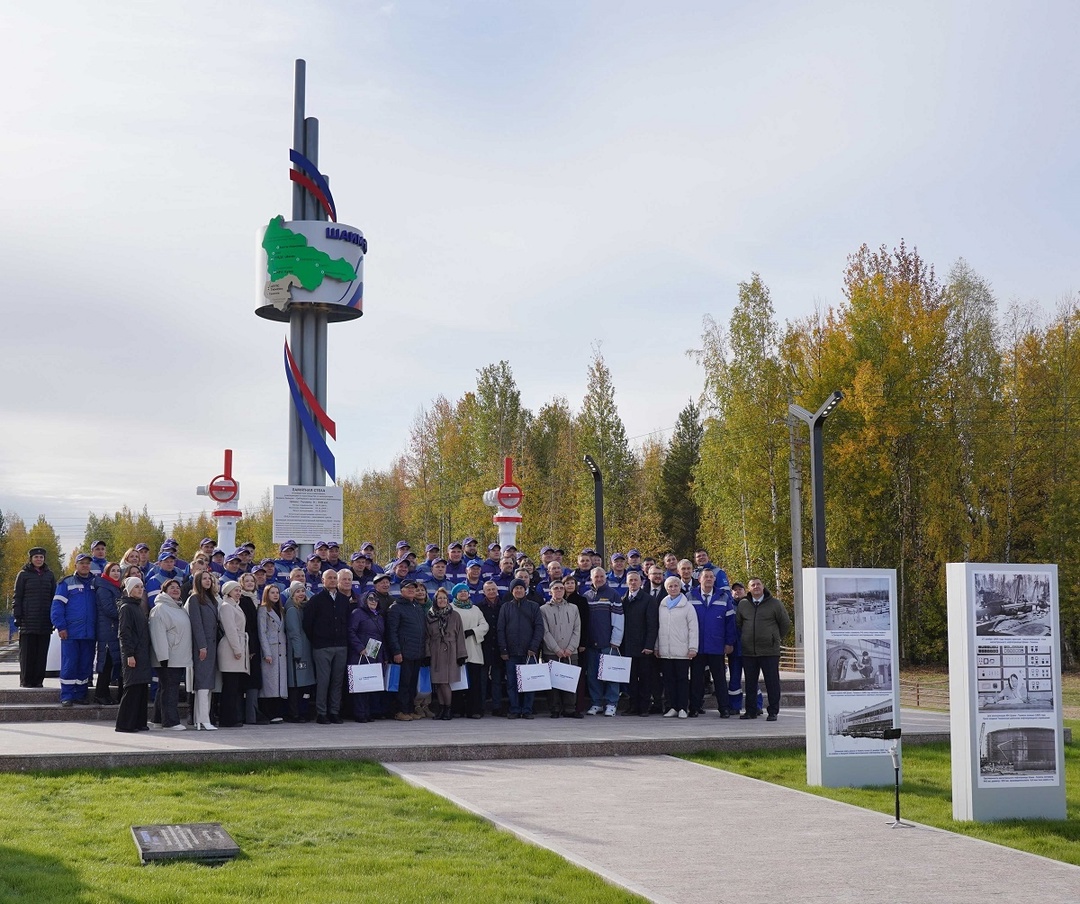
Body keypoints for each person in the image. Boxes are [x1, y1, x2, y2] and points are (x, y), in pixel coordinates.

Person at [736, 577, 791, 721]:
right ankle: (751, 711)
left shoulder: (775, 604)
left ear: (763, 586)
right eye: (752, 585)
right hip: (749, 651)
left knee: (772, 682)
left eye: (758, 584)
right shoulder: (743, 604)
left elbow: (785, 624)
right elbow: (739, 623)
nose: (756, 587)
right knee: (750, 683)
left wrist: (774, 638)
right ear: (749, 589)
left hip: (769, 651)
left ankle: (773, 711)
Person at [303, 568, 349, 724]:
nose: (332, 580)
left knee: (337, 681)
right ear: (323, 580)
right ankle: (321, 713)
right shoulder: (316, 600)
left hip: (341, 646)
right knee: (323, 681)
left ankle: (334, 711)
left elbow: (348, 622)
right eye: (329, 578)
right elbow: (307, 624)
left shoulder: (343, 600)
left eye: (334, 578)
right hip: (322, 647)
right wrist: (317, 639)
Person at [51, 553, 97, 707]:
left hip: (89, 633)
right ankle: (67, 695)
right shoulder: (66, 583)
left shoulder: (96, 583)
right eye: (82, 563)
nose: (85, 566)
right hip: (70, 633)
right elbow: (57, 607)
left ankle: (81, 694)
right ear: (75, 565)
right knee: (69, 664)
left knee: (85, 664)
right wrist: (61, 626)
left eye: (87, 563)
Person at [689, 568, 736, 717]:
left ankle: (724, 708)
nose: (708, 579)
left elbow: (730, 622)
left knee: (720, 679)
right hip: (697, 646)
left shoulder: (723, 597)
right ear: (700, 579)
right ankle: (694, 707)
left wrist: (729, 642)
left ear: (715, 580)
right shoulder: (690, 596)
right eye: (706, 577)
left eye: (711, 577)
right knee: (696, 680)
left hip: (717, 646)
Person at [148, 578, 192, 730]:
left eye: (177, 587)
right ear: (164, 591)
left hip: (178, 655)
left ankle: (158, 719)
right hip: (168, 657)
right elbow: (158, 634)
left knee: (164, 687)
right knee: (170, 689)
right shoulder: (160, 608)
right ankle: (171, 721)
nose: (175, 590)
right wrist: (163, 657)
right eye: (171, 587)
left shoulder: (178, 608)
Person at [497, 578, 543, 719]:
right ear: (512, 591)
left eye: (521, 588)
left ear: (525, 590)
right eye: (516, 588)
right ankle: (515, 709)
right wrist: (503, 650)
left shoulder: (534, 606)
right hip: (511, 653)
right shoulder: (505, 607)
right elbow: (500, 629)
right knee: (512, 683)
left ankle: (527, 709)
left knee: (530, 683)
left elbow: (539, 628)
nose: (518, 590)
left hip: (529, 652)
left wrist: (533, 647)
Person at [13, 546, 56, 688]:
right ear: (31, 559)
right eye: (36, 557)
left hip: (44, 621)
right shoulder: (23, 574)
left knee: (41, 653)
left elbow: (54, 597)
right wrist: (17, 615)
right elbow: (17, 597)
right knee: (27, 654)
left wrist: (54, 617)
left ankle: (38, 680)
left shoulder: (49, 575)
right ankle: (26, 680)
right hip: (27, 621)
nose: (39, 559)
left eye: (41, 557)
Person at [583, 567, 624, 717]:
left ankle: (612, 703)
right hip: (591, 643)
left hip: (608, 643)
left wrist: (616, 641)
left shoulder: (613, 595)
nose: (599, 579)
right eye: (596, 577)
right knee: (593, 675)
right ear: (591, 578)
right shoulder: (586, 596)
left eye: (601, 576)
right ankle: (597, 703)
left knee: (611, 675)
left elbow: (619, 620)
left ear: (605, 578)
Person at [656, 575, 698, 718]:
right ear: (666, 588)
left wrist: (693, 648)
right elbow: (658, 628)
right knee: (668, 680)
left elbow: (693, 628)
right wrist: (657, 646)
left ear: (680, 587)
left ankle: (682, 708)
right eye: (670, 586)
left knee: (682, 679)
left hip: (682, 650)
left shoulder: (688, 607)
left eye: (675, 586)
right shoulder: (661, 606)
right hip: (666, 651)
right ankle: (671, 706)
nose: (673, 588)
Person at [386, 578, 426, 721]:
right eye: (408, 588)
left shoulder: (417, 606)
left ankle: (409, 709)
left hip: (417, 652)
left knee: (412, 684)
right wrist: (396, 651)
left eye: (413, 588)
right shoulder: (396, 607)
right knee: (403, 683)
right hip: (404, 652)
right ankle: (400, 711)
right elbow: (392, 631)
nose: (411, 590)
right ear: (401, 590)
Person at [115, 577, 152, 733]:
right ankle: (125, 723)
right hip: (133, 654)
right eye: (136, 586)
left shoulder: (137, 606)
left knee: (142, 688)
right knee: (132, 688)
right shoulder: (126, 607)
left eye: (141, 586)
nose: (140, 589)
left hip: (142, 653)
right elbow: (124, 633)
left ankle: (138, 722)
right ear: (129, 589)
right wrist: (129, 654)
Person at [424, 588, 467, 721]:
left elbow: (460, 635)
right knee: (438, 682)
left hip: (450, 650)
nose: (442, 600)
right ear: (435, 600)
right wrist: (427, 653)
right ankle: (442, 709)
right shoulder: (429, 615)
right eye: (439, 598)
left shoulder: (455, 615)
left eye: (444, 598)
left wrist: (461, 655)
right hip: (435, 650)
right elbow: (427, 636)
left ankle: (448, 708)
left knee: (445, 682)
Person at [541, 579, 581, 718]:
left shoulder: (573, 608)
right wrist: (556, 649)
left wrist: (570, 648)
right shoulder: (543, 609)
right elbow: (545, 632)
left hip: (571, 651)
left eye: (561, 588)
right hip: (552, 651)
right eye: (556, 588)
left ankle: (570, 709)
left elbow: (577, 629)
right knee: (554, 682)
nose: (559, 591)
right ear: (550, 591)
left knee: (570, 680)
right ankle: (555, 709)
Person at [185, 570, 219, 730]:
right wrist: (202, 646)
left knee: (208, 683)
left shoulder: (211, 599)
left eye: (209, 579)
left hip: (213, 646)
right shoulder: (194, 599)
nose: (208, 581)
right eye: (204, 579)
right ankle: (203, 718)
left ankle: (203, 718)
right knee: (203, 682)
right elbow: (197, 625)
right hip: (203, 647)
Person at [620, 570, 658, 716]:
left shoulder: (648, 600)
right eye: (630, 580)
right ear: (626, 583)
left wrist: (649, 645)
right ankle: (633, 706)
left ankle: (644, 707)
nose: (633, 583)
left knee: (645, 679)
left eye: (636, 580)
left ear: (641, 582)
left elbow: (652, 624)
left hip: (643, 648)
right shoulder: (624, 599)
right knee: (630, 680)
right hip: (628, 647)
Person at [450, 582, 488, 719]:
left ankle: (474, 710)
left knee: (474, 682)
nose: (464, 594)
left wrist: (473, 631)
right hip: (456, 649)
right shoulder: (450, 608)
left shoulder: (475, 609)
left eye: (465, 591)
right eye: (460, 592)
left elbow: (484, 625)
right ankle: (457, 709)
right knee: (457, 682)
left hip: (473, 648)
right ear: (455, 594)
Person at [348, 589, 386, 723]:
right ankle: (359, 713)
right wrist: (360, 648)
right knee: (360, 685)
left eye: (376, 599)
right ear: (364, 600)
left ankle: (368, 712)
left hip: (375, 653)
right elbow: (351, 631)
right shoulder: (357, 613)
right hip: (361, 654)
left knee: (370, 685)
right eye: (370, 599)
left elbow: (382, 636)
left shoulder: (379, 616)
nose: (374, 602)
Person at [217, 580, 249, 728]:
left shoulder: (235, 605)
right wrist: (237, 650)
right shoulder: (226, 607)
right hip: (230, 648)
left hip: (238, 645)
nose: (238, 592)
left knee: (234, 685)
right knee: (230, 685)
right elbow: (230, 630)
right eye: (235, 590)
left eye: (239, 590)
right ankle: (227, 718)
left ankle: (232, 716)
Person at [92, 562, 124, 705]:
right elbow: (109, 609)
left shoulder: (116, 587)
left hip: (113, 629)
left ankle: (105, 693)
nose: (116, 573)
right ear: (107, 572)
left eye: (118, 571)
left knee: (111, 663)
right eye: (113, 571)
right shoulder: (104, 588)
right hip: (107, 629)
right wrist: (125, 614)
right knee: (106, 662)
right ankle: (100, 693)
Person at [284, 582, 316, 722]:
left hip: (305, 650)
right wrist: (298, 653)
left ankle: (303, 712)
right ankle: (294, 713)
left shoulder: (302, 608)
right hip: (298, 652)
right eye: (298, 591)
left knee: (304, 685)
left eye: (303, 591)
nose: (301, 594)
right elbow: (294, 633)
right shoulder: (292, 610)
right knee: (296, 684)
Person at [238, 572, 266, 725]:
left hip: (257, 643)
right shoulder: (243, 600)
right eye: (246, 581)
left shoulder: (256, 599)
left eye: (252, 581)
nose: (249, 583)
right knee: (251, 680)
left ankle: (253, 711)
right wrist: (250, 648)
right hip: (250, 645)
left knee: (255, 680)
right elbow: (247, 626)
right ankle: (250, 714)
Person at [258, 584, 288, 723]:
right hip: (271, 650)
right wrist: (266, 652)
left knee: (278, 683)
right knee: (270, 683)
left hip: (281, 650)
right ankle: (269, 712)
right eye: (272, 593)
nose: (275, 595)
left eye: (277, 593)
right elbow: (262, 632)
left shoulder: (281, 610)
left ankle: (278, 711)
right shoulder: (263, 609)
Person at [477, 580, 504, 715]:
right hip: (483, 647)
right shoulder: (479, 607)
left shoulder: (504, 605)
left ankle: (497, 707)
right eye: (489, 590)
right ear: (484, 592)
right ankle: (480, 707)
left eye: (493, 589)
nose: (492, 592)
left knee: (497, 680)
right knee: (482, 680)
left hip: (499, 647)